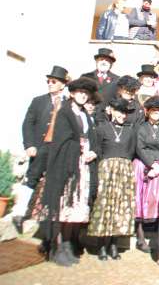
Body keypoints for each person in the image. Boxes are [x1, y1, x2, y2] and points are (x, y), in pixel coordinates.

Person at [40, 77, 99, 266]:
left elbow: (91, 137)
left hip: (82, 166)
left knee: (74, 211)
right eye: (79, 93)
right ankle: (56, 248)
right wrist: (81, 148)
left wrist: (93, 150)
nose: (83, 96)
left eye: (86, 93)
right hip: (66, 166)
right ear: (72, 94)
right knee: (62, 207)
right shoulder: (65, 112)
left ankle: (67, 245)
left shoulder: (85, 115)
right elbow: (62, 140)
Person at [13, 66, 69, 234]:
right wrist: (29, 145)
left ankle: (48, 219)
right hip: (40, 147)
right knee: (31, 178)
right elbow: (27, 124)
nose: (50, 84)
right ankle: (19, 213)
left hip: (58, 149)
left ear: (63, 84)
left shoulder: (68, 104)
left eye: (54, 81)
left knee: (55, 182)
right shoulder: (39, 101)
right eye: (49, 81)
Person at [87, 98, 136, 261]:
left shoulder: (130, 130)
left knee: (119, 208)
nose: (122, 115)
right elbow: (97, 149)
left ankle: (114, 244)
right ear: (111, 111)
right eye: (120, 112)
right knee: (104, 205)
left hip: (124, 172)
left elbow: (131, 151)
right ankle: (101, 245)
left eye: (125, 113)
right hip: (106, 171)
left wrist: (123, 165)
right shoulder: (101, 128)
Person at [133, 96, 159, 252]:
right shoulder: (141, 128)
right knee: (140, 200)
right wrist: (151, 164)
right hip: (143, 166)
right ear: (148, 111)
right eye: (153, 110)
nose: (156, 113)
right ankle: (140, 237)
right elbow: (140, 148)